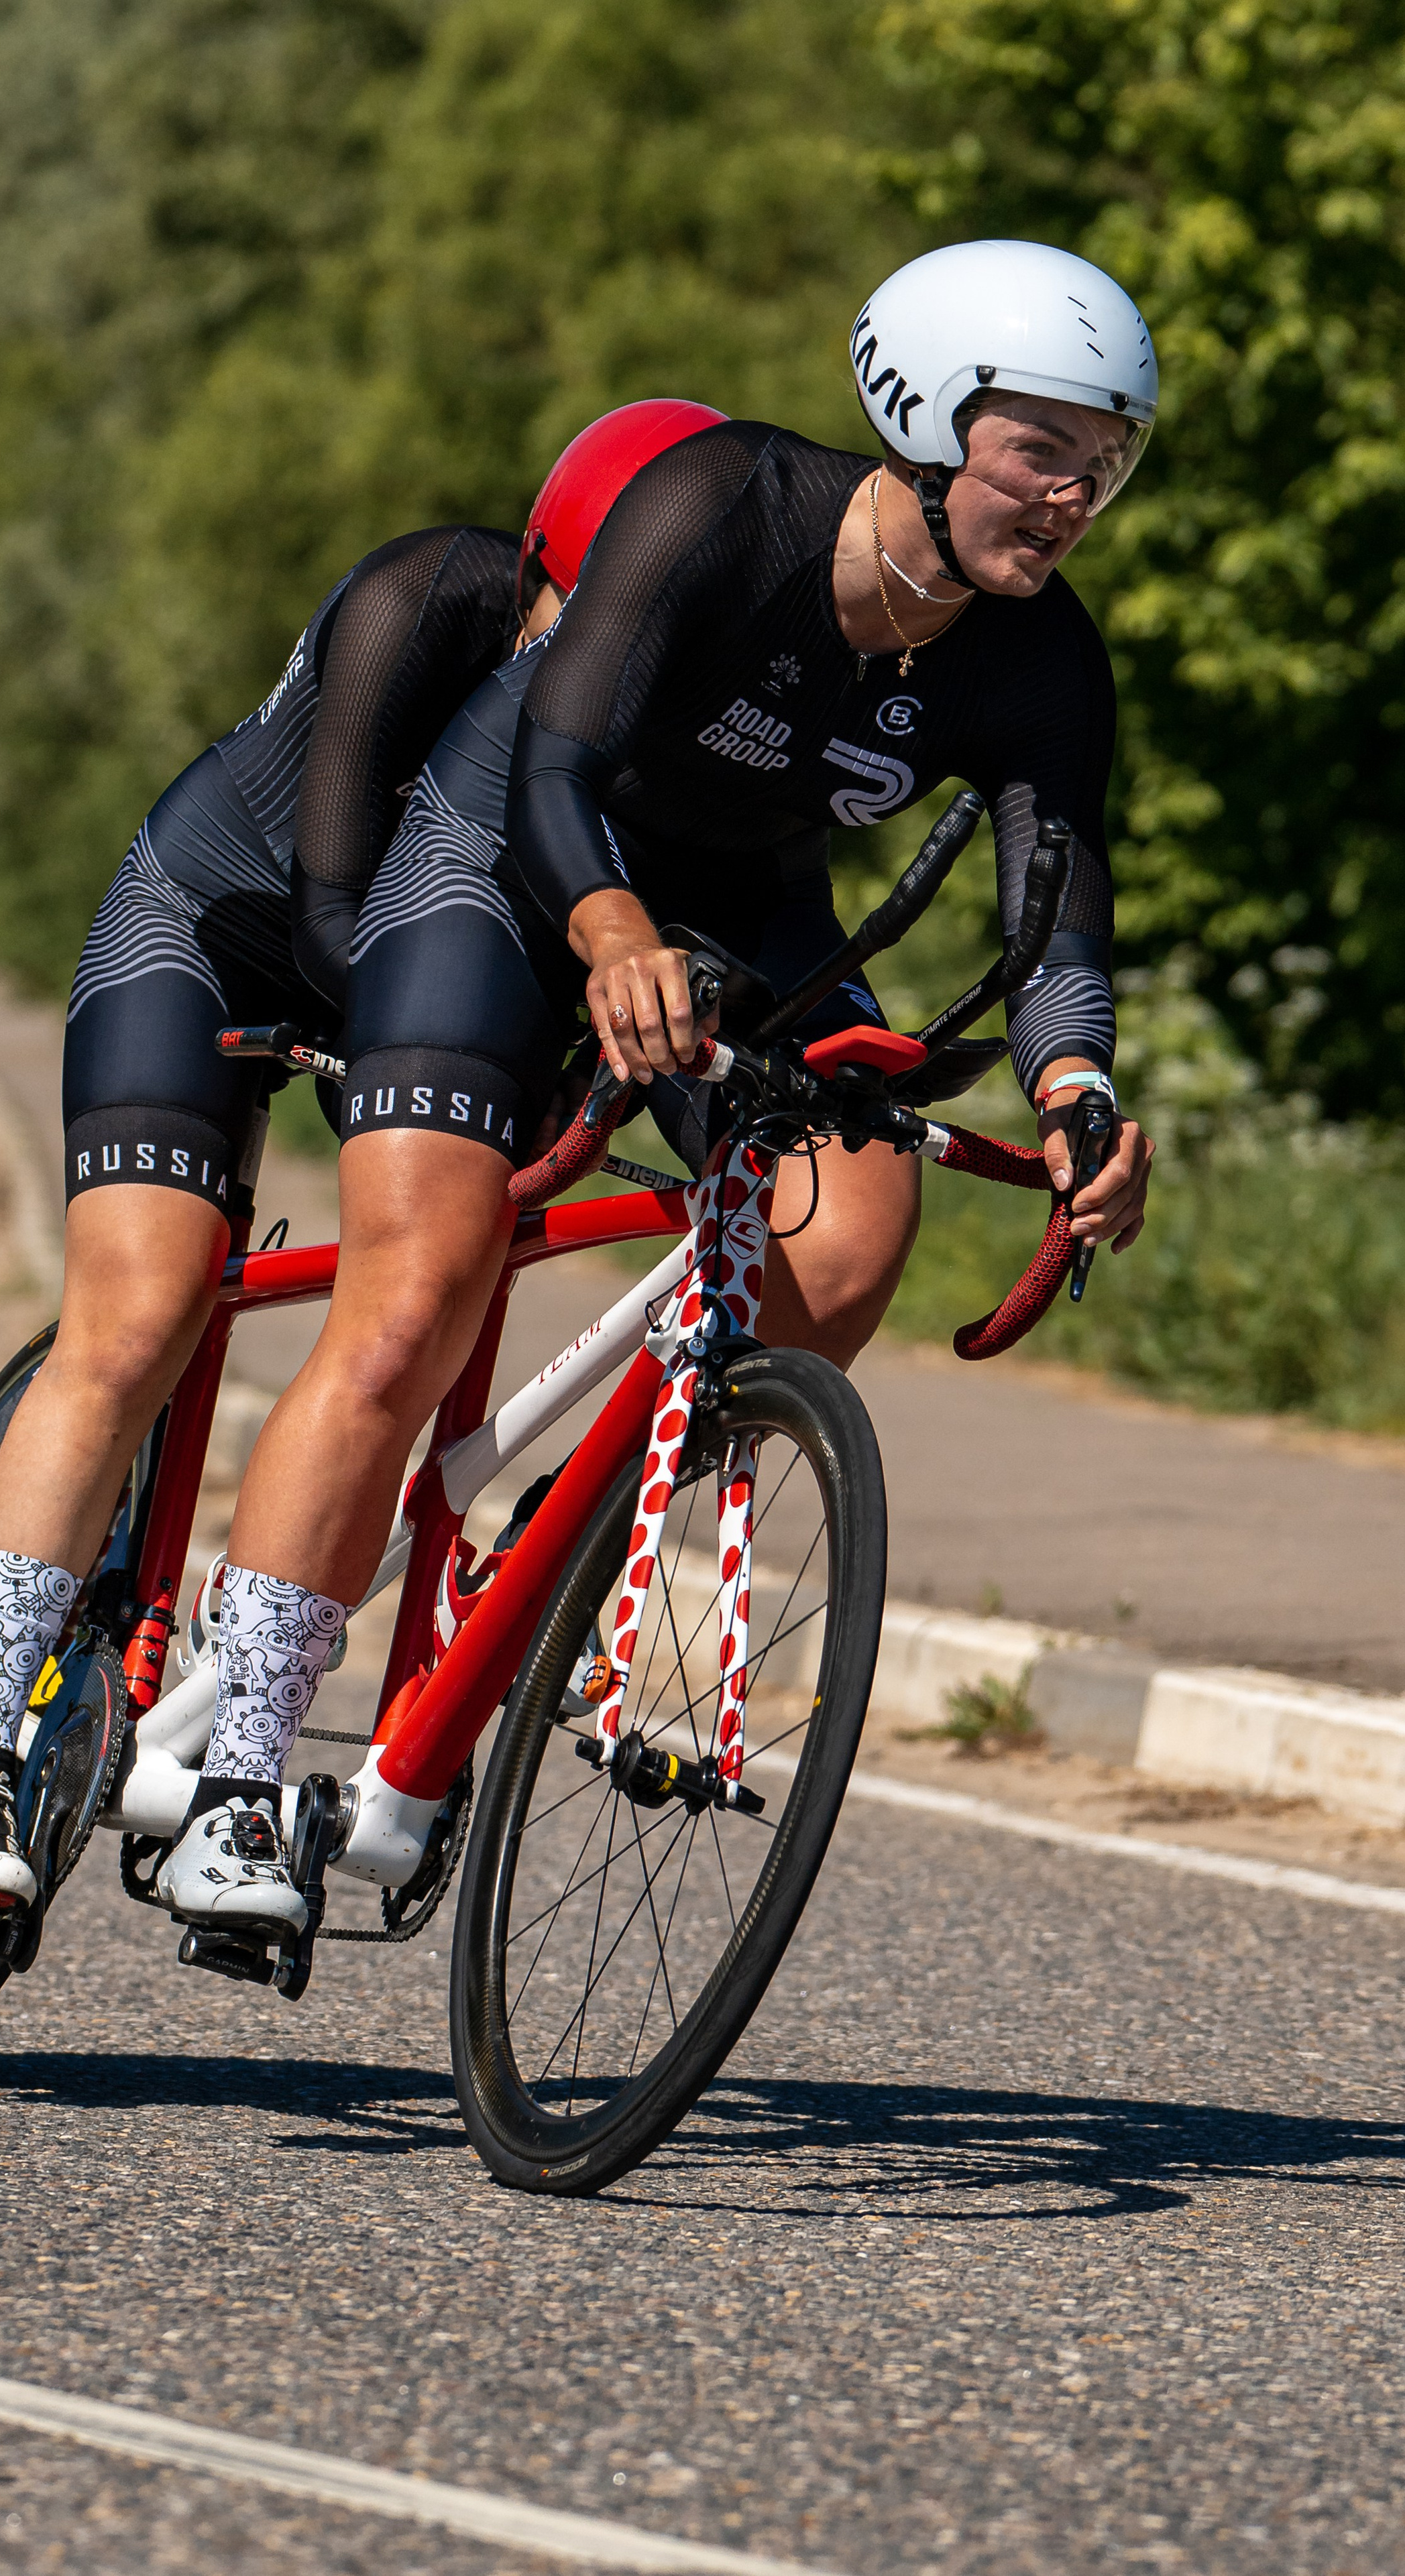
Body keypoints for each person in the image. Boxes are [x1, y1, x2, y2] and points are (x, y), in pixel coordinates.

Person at [147, 241, 1162, 1936]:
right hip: (511, 852)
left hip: (733, 909)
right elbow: (552, 757)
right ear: (921, 411)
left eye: (1102, 461)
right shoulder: (727, 498)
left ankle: (541, 1565)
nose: (1070, 496)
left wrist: (1076, 1087)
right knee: (415, 1292)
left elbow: (1050, 900)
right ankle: (241, 1761)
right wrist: (606, 930)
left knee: (848, 1229)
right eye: (1039, 448)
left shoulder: (1037, 656)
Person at [0, 402, 728, 1926]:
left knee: (409, 1313)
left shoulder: (658, 712)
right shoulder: (430, 598)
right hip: (224, 934)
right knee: (140, 1318)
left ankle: (253, 1719)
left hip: (413, 989)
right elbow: (342, 906)